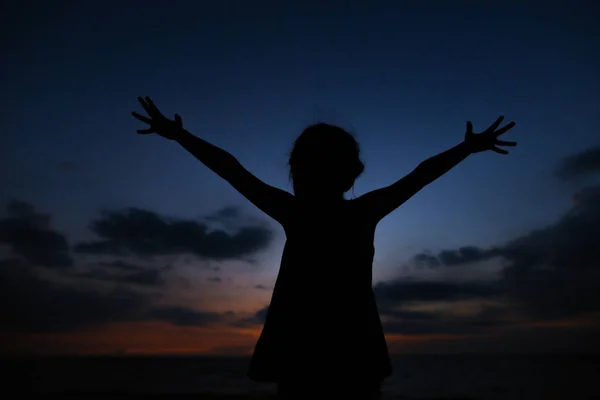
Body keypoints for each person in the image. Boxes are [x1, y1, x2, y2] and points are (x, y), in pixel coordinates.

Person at [132, 96, 516, 399]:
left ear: (346, 174)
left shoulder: (308, 212)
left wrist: (181, 137)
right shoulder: (351, 212)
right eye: (304, 167)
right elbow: (418, 176)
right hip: (339, 351)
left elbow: (232, 169)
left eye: (313, 166)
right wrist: (465, 149)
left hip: (322, 352)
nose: (305, 175)